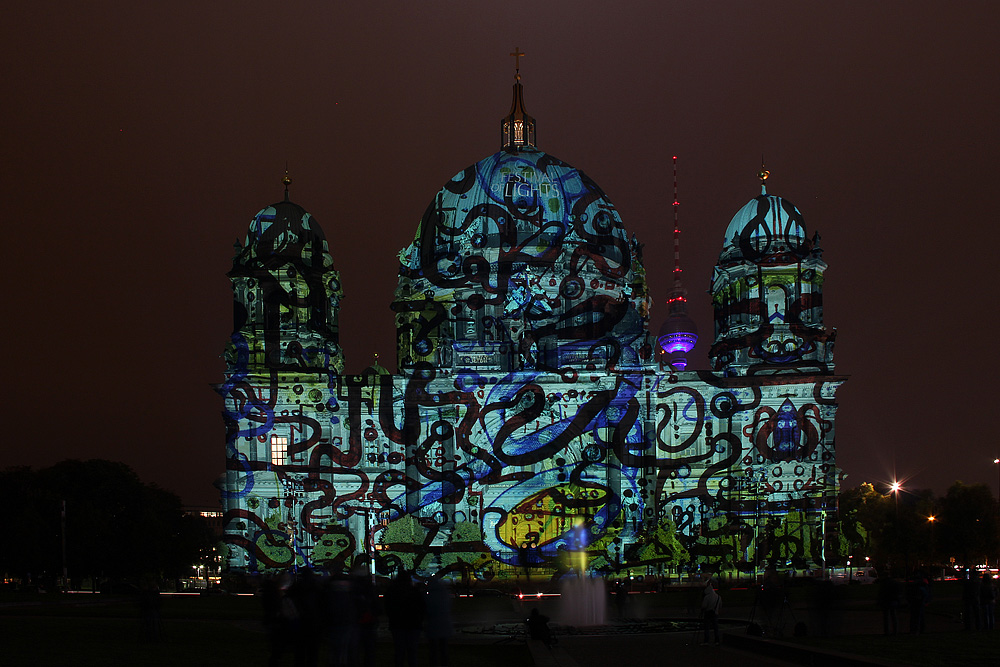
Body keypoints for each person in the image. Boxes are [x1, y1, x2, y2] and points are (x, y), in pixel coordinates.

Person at [385, 570, 425, 667]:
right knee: (412, 652)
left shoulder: (392, 591)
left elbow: (388, 607)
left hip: (397, 625)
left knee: (399, 651)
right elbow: (422, 607)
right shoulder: (414, 591)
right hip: (413, 624)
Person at [425, 578, 453, 666]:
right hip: (444, 626)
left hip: (433, 626)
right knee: (443, 650)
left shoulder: (429, 596)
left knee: (433, 650)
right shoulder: (445, 595)